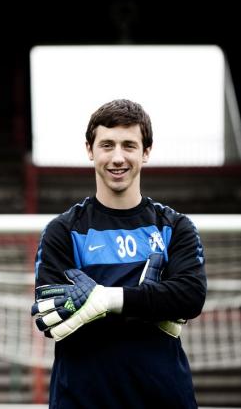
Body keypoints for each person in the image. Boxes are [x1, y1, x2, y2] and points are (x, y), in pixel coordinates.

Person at [31, 99, 207, 408]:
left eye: (129, 145)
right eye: (107, 145)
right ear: (90, 150)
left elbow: (190, 296)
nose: (117, 157)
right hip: (81, 400)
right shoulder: (64, 230)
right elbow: (50, 314)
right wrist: (151, 303)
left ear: (146, 152)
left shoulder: (174, 227)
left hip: (163, 398)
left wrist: (103, 300)